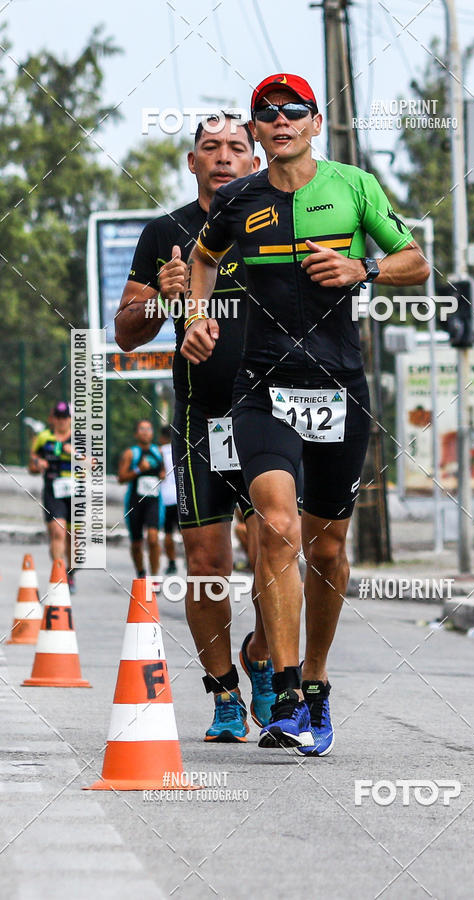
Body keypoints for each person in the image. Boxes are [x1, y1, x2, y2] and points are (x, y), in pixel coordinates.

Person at [182, 73, 430, 754]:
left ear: (315, 123)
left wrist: (364, 272)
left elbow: (416, 262)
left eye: (295, 110)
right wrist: (198, 316)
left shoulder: (352, 187)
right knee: (275, 525)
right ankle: (286, 690)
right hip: (261, 387)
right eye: (268, 112)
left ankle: (315, 680)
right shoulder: (238, 199)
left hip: (339, 385)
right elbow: (203, 261)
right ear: (257, 132)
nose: (281, 119)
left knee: (327, 549)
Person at [114, 114, 276, 743]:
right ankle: (224, 694)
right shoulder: (166, 231)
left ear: (255, 158)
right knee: (208, 562)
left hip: (273, 412)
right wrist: (160, 293)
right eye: (211, 148)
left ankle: (263, 656)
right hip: (200, 417)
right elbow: (127, 335)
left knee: (274, 550)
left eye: (238, 147)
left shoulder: (278, 219)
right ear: (192, 162)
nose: (225, 157)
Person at [29, 400, 76, 591]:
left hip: (76, 491)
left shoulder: (80, 438)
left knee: (73, 538)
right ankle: (59, 574)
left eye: (65, 417)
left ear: (70, 419)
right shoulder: (43, 438)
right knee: (58, 532)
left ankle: (71, 573)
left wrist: (75, 454)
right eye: (58, 417)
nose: (62, 421)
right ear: (53, 419)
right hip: (52, 490)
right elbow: (32, 464)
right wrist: (37, 465)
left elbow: (95, 464)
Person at [118, 419, 165, 581]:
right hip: (135, 502)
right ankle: (141, 573)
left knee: (153, 538)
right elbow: (121, 478)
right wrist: (139, 469)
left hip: (154, 501)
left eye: (149, 429)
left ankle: (155, 575)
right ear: (136, 433)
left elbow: (164, 471)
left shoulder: (158, 452)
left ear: (152, 433)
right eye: (142, 429)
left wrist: (162, 475)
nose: (145, 432)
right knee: (137, 543)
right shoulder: (131, 453)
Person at [158, 425, 179, 575]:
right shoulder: (180, 450)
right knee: (186, 532)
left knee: (168, 533)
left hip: (166, 497)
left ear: (162, 437)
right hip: (181, 496)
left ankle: (172, 562)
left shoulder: (159, 452)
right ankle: (191, 559)